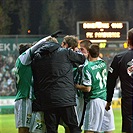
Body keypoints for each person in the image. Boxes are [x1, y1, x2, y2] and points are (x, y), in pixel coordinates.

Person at [31, 38, 86, 133]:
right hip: (65, 98)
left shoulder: (37, 56)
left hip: (47, 99)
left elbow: (36, 79)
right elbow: (82, 59)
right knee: (73, 127)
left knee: (51, 129)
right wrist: (76, 51)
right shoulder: (65, 52)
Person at [14, 31, 61, 133]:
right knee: (24, 128)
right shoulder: (23, 59)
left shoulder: (23, 64)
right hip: (24, 98)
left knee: (28, 128)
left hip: (27, 98)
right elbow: (35, 48)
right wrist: (48, 37)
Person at [76, 44, 115, 133]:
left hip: (95, 100)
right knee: (108, 129)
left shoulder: (87, 67)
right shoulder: (102, 63)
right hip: (105, 100)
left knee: (89, 130)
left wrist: (76, 86)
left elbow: (87, 88)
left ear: (88, 53)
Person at [105, 28, 133, 133]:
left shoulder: (119, 57)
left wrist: (108, 100)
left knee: (129, 128)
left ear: (128, 41)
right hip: (128, 99)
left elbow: (111, 81)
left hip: (128, 100)